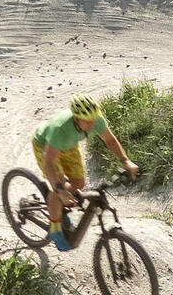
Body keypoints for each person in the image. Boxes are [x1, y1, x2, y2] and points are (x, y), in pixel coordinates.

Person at [33, 94, 138, 251]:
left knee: (79, 183)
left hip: (68, 145)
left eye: (93, 120)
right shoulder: (60, 128)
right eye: (87, 121)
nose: (92, 124)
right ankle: (55, 228)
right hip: (45, 146)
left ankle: (60, 207)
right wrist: (60, 190)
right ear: (76, 118)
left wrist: (126, 161)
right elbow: (49, 163)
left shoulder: (96, 119)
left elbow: (110, 140)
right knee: (59, 186)